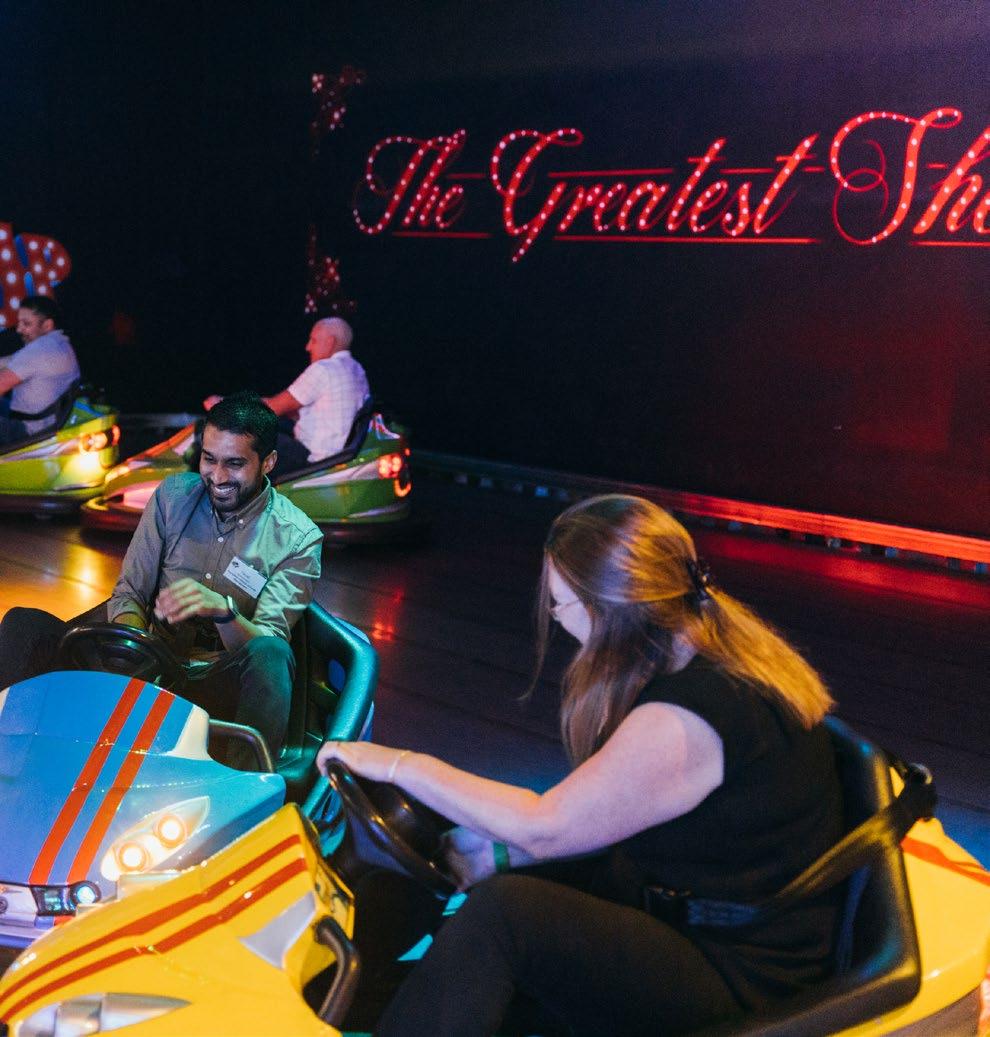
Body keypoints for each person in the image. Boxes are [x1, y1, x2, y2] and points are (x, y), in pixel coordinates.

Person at [317, 494, 842, 1036]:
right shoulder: (704, 658)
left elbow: (545, 826)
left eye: (559, 603)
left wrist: (400, 765)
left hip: (740, 970)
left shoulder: (691, 717)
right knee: (492, 891)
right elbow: (599, 814)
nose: (555, 616)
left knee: (506, 916)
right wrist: (494, 852)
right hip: (693, 912)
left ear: (606, 609)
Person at [0, 393, 323, 760]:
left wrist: (224, 612)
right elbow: (130, 592)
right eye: (209, 459)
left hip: (211, 683)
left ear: (268, 462)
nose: (217, 477)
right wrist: (130, 651)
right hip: (147, 663)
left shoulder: (297, 538)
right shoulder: (173, 497)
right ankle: (9, 757)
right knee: (23, 624)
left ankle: (244, 779)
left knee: (271, 654)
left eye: (235, 464)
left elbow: (268, 648)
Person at [203, 317, 369, 477]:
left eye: (313, 340)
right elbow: (298, 408)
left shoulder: (324, 369)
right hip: (337, 451)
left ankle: (226, 493)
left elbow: (272, 408)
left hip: (315, 456)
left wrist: (224, 405)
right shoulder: (357, 370)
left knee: (245, 439)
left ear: (330, 342)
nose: (308, 347)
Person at [0, 295, 80, 444]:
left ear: (47, 325)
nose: (19, 329)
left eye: (26, 324)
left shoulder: (38, 350)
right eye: (19, 323)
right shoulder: (58, 343)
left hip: (27, 430)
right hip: (48, 422)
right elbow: (11, 360)